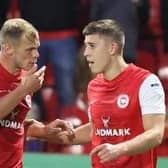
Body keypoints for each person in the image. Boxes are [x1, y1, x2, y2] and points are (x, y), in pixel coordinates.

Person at [48, 19, 166, 168]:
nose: (86, 53)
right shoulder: (94, 86)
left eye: (92, 46)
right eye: (86, 46)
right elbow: (96, 129)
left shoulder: (146, 82)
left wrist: (119, 149)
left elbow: (156, 134)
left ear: (112, 48)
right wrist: (50, 135)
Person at [0, 18, 73, 168]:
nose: (36, 55)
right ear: (8, 49)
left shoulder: (26, 78)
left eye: (37, 48)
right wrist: (23, 90)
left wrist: (45, 131)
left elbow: (13, 125)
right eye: (29, 49)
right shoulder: (26, 85)